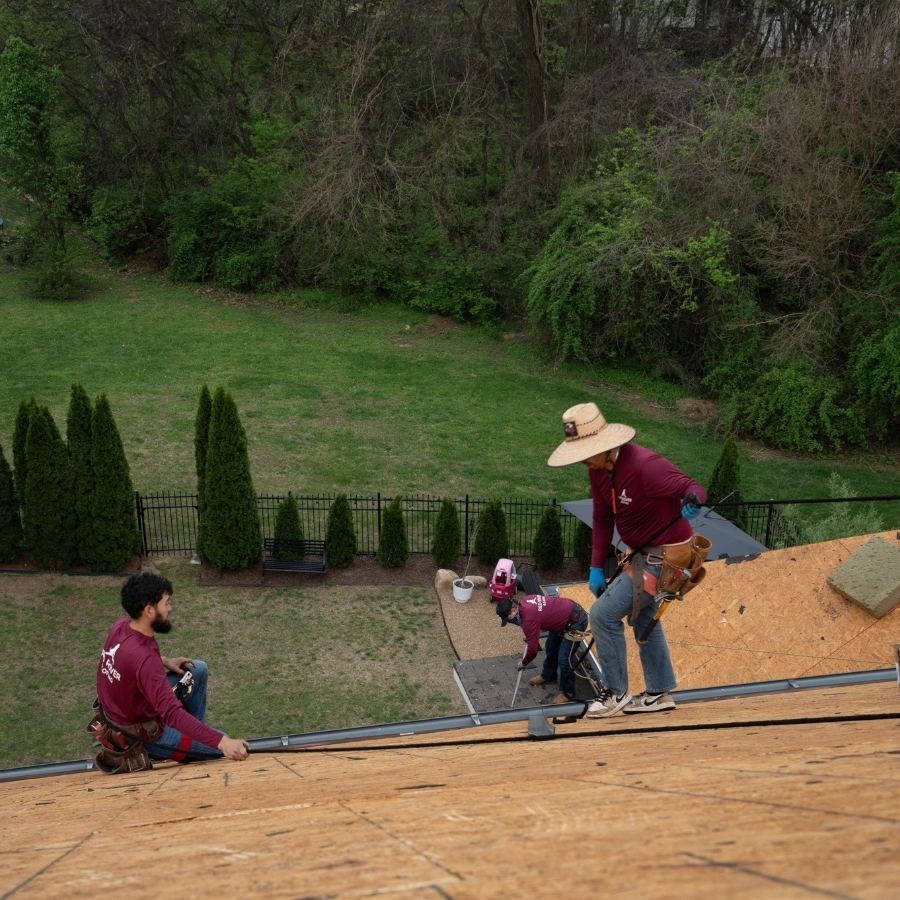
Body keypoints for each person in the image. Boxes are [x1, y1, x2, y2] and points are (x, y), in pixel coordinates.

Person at [547, 402, 707, 718]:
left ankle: (614, 693)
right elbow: (603, 517)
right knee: (643, 618)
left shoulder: (646, 466)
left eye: (586, 453)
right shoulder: (598, 470)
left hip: (667, 559)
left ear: (607, 447)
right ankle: (660, 693)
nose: (583, 461)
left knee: (603, 614)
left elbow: (692, 487)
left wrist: (693, 501)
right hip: (643, 555)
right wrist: (595, 566)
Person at [91, 572, 249, 773]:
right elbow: (172, 713)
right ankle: (170, 748)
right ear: (149, 610)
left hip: (126, 713)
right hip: (143, 735)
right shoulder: (145, 658)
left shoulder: (121, 627)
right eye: (166, 603)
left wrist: (164, 661)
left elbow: (129, 661)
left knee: (198, 670)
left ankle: (193, 736)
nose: (170, 609)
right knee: (222, 745)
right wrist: (223, 742)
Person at [496, 593, 589, 703]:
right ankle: (548, 675)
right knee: (550, 647)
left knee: (564, 659)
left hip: (576, 621)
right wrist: (531, 635)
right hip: (562, 617)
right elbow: (540, 616)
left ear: (513, 610)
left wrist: (524, 663)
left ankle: (568, 693)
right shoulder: (525, 601)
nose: (509, 621)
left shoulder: (528, 619)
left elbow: (533, 650)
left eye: (508, 618)